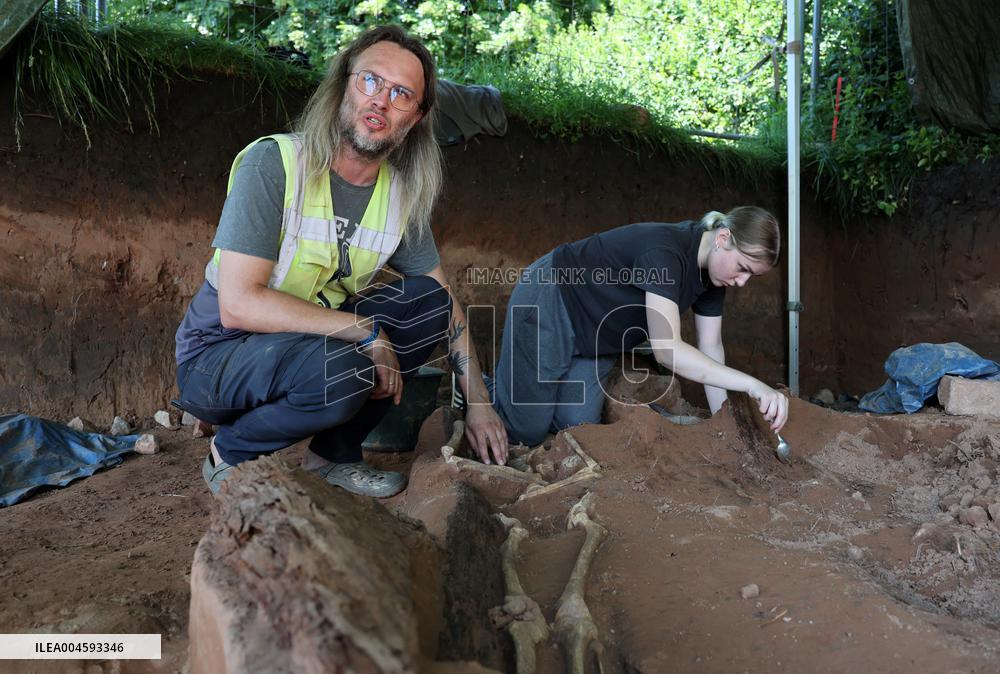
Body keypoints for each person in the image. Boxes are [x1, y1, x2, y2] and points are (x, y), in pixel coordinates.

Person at [174, 25, 507, 498]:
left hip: (308, 348)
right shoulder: (275, 164)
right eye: (370, 80)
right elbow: (239, 305)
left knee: (426, 302)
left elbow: (444, 304)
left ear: (414, 118)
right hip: (218, 355)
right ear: (344, 85)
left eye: (401, 93)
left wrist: (478, 401)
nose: (381, 100)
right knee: (343, 366)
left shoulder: (398, 197)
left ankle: (332, 457)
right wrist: (365, 330)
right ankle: (233, 453)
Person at [491, 207, 789, 446]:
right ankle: (482, 391)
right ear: (723, 238)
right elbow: (667, 350)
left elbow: (711, 347)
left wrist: (724, 423)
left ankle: (523, 387)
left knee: (575, 428)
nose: (741, 282)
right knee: (525, 430)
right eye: (743, 269)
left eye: (752, 277)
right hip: (553, 298)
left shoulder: (713, 279)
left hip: (596, 339)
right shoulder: (665, 251)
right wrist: (752, 384)